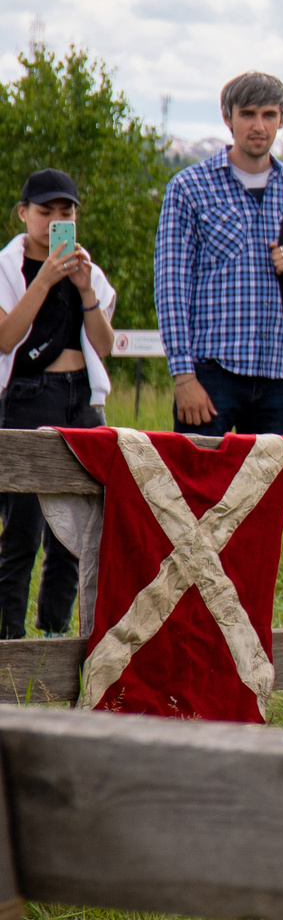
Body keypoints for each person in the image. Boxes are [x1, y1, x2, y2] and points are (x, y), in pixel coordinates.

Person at [155, 71, 283, 437]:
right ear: (227, 117)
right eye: (248, 113)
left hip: (280, 375)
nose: (258, 125)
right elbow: (171, 289)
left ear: (282, 119)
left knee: (271, 490)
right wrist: (184, 377)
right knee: (197, 487)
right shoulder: (189, 187)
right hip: (211, 373)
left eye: (269, 114)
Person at [0, 170, 115, 638]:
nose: (54, 222)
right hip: (30, 397)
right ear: (23, 212)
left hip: (82, 398)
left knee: (76, 534)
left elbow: (104, 347)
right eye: (44, 212)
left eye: (65, 213)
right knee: (22, 531)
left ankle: (54, 635)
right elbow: (6, 340)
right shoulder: (8, 269)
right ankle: (8, 643)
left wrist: (87, 291)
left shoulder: (89, 271)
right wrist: (44, 281)